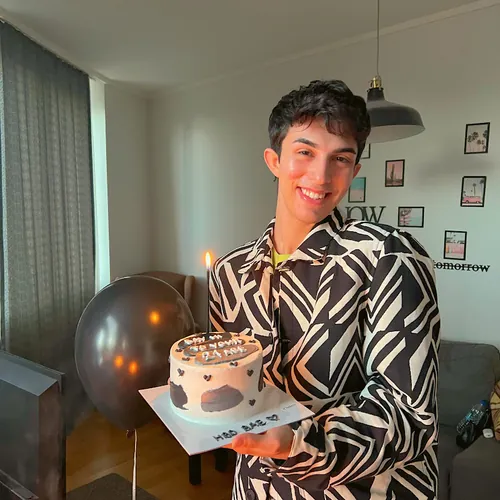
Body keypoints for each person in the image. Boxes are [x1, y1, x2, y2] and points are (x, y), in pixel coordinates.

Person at [209, 79, 440, 499]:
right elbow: (232, 390)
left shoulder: (388, 256)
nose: (321, 175)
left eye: (341, 158)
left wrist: (298, 442)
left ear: (355, 170)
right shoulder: (230, 272)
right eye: (305, 152)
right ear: (274, 160)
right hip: (256, 489)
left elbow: (410, 417)